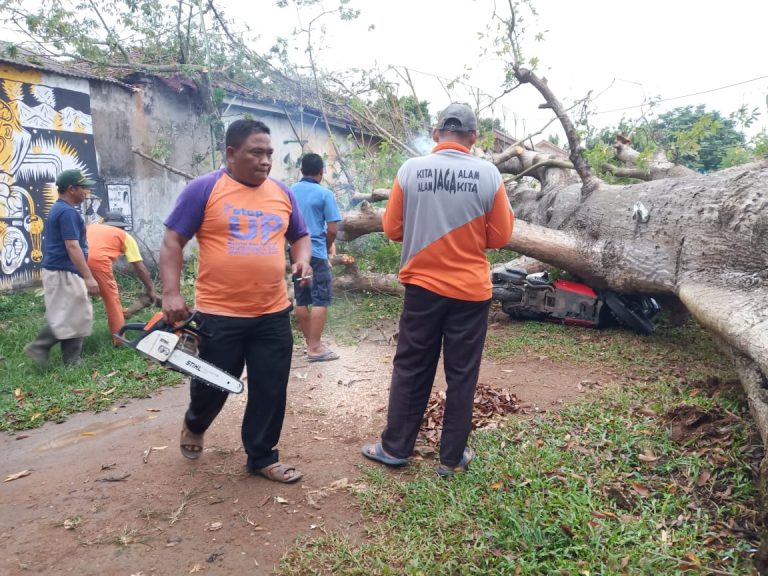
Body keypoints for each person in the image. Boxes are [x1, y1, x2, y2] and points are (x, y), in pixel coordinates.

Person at [361, 103, 515, 477]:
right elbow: (501, 236)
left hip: (422, 288)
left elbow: (393, 229)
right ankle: (451, 459)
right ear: (474, 137)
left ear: (435, 135)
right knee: (462, 373)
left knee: (411, 366)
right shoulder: (489, 174)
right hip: (470, 292)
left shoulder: (410, 170)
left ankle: (395, 448)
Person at [160, 118, 312, 484]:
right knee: (213, 384)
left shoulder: (282, 192)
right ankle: (195, 424)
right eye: (256, 153)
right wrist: (171, 293)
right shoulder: (204, 190)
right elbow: (172, 242)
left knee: (270, 389)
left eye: (269, 153)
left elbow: (300, 235)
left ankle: (262, 456)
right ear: (231, 153)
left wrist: (302, 258)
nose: (265, 161)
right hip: (219, 314)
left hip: (273, 313)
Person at [24, 169, 101, 366]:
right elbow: (72, 246)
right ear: (71, 189)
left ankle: (71, 360)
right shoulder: (66, 212)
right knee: (70, 315)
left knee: (74, 314)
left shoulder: (61, 209)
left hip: (61, 270)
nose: (87, 191)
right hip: (63, 271)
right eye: (83, 187)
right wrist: (89, 277)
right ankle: (40, 347)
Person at [290, 153, 342, 362]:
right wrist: (329, 247)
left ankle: (310, 343)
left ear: (301, 170)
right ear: (321, 173)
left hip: (295, 253)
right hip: (317, 252)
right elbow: (332, 229)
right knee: (321, 298)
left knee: (301, 298)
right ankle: (315, 347)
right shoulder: (324, 194)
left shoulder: (289, 192)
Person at [86, 211, 158, 343]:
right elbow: (140, 268)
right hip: (97, 261)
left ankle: (66, 335)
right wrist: (151, 289)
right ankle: (119, 340)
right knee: (112, 300)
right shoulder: (124, 236)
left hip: (74, 260)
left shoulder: (90, 228)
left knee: (78, 298)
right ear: (122, 227)